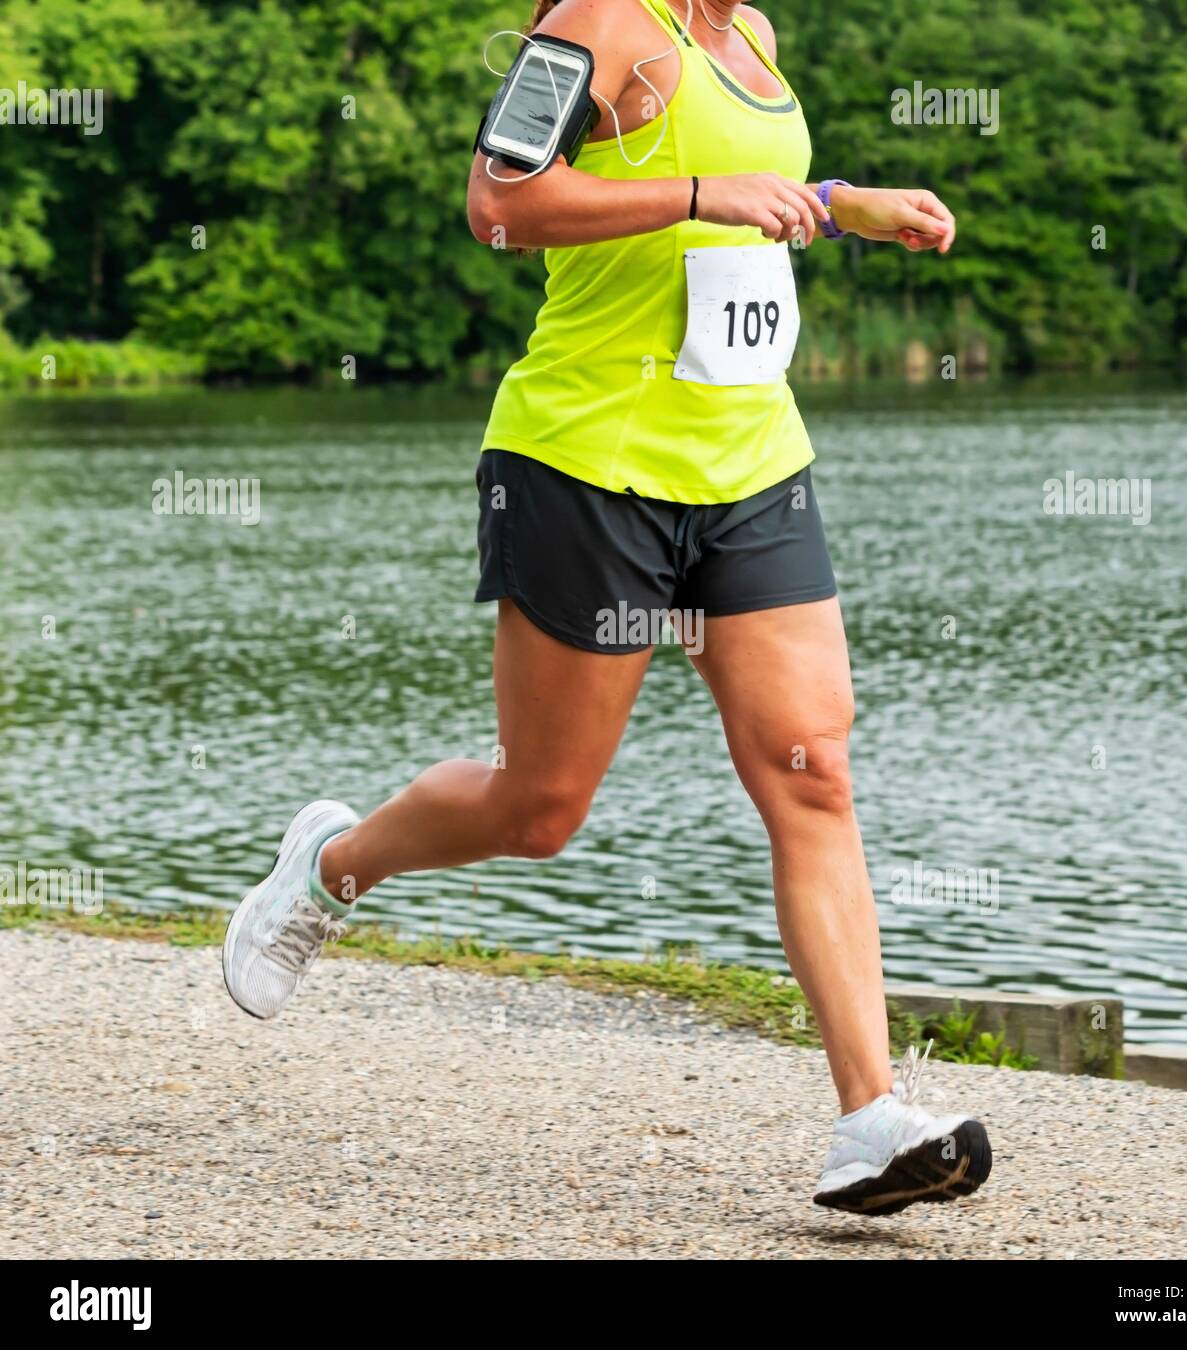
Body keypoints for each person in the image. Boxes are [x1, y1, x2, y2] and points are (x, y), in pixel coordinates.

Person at [222, 0, 991, 1216]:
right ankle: (330, 867)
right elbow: (501, 205)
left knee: (810, 769)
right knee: (539, 810)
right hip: (587, 465)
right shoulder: (596, 22)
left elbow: (753, 193)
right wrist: (698, 194)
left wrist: (843, 205)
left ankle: (868, 1119)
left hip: (749, 469)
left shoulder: (755, 36)